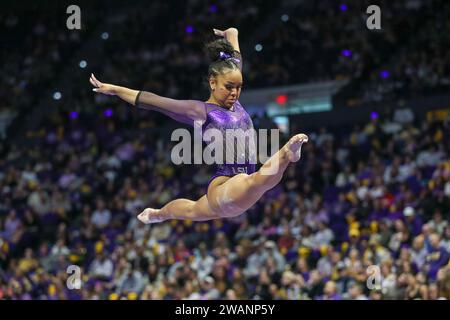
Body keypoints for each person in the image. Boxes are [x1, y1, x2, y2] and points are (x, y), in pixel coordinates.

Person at [89, 27, 308, 223]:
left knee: (193, 210)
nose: (234, 92)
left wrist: (232, 34)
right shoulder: (201, 111)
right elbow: (153, 101)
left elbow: (235, 60)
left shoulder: (233, 95)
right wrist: (116, 90)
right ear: (213, 83)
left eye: (239, 87)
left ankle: (158, 214)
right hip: (225, 185)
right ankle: (287, 153)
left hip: (236, 196)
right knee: (256, 181)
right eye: (229, 87)